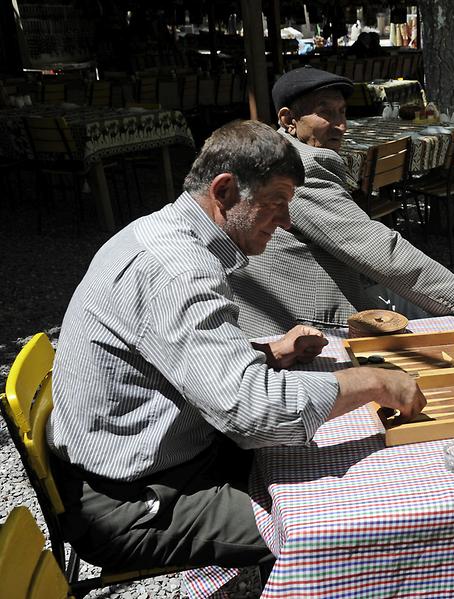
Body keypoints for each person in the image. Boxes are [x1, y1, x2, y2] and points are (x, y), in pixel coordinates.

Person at [46, 120, 426, 573]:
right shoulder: (179, 268)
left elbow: (173, 356)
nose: (286, 221)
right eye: (277, 202)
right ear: (225, 192)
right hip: (133, 503)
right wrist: (373, 382)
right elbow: (254, 416)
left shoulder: (162, 233)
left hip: (141, 459)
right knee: (356, 526)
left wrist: (267, 354)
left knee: (323, 457)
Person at [229, 67, 454, 337]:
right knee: (451, 331)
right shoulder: (300, 168)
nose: (342, 126)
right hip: (303, 323)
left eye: (343, 112)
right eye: (326, 113)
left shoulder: (279, 153)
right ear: (288, 120)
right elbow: (379, 249)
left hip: (292, 304)